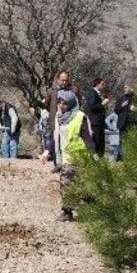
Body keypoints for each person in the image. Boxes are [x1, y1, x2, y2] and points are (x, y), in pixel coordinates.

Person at [55, 90, 95, 221]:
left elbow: (87, 137)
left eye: (65, 103)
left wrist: (92, 154)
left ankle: (92, 209)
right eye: (60, 102)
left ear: (71, 103)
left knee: (84, 185)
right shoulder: (60, 117)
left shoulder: (79, 116)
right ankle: (67, 212)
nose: (62, 105)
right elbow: (58, 136)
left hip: (81, 157)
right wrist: (48, 151)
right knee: (66, 184)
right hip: (67, 158)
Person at [44, 71, 76, 169]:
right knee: (55, 140)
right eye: (62, 80)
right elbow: (46, 104)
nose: (64, 82)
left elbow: (76, 103)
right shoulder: (51, 91)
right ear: (57, 79)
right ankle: (57, 163)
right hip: (55, 119)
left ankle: (67, 163)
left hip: (69, 119)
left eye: (66, 80)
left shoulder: (72, 90)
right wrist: (54, 112)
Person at [83, 77, 110, 157]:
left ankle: (100, 160)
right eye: (102, 84)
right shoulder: (92, 92)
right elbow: (92, 107)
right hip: (95, 123)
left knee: (100, 142)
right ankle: (97, 161)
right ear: (97, 84)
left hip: (98, 122)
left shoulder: (97, 93)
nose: (103, 86)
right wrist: (103, 104)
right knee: (97, 142)